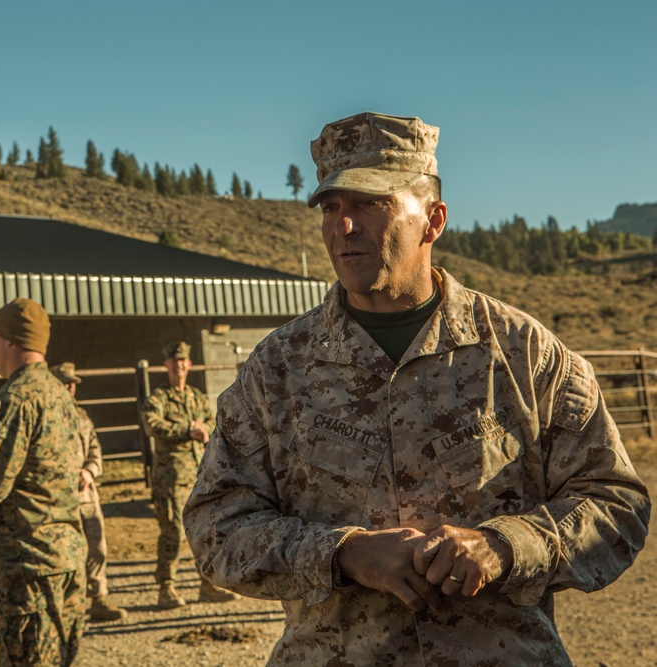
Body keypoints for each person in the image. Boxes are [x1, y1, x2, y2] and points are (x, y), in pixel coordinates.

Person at [183, 111, 651, 665]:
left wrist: (505, 546)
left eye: (370, 204)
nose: (344, 226)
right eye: (332, 207)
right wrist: (343, 553)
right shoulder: (276, 370)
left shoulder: (525, 354)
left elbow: (615, 506)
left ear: (434, 220)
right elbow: (217, 527)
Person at [0, 298, 87, 666]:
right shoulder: (60, 396)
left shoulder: (16, 400)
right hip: (68, 555)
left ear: (11, 341)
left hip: (29, 566)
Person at [142, 340, 240, 608]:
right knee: (172, 530)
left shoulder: (196, 396)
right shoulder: (158, 398)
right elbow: (153, 424)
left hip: (199, 475)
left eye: (184, 361)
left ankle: (207, 585)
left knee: (204, 529)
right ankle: (166, 587)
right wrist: (187, 429)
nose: (180, 365)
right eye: (175, 361)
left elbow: (211, 420)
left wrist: (203, 429)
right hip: (170, 476)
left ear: (189, 364)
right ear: (166, 365)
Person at [50, 361, 130, 622]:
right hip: (59, 498)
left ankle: (98, 599)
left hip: (86, 493)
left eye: (73, 383)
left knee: (96, 546)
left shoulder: (81, 416)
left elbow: (95, 447)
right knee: (63, 552)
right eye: (65, 382)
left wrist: (89, 471)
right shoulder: (47, 415)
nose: (70, 387)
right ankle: (64, 606)